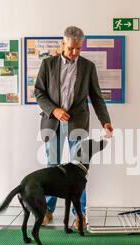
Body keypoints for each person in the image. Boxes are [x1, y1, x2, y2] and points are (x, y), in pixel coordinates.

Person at [35, 26, 113, 227]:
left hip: (77, 124)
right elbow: (39, 92)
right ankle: (48, 210)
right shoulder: (48, 64)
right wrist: (54, 110)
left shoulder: (88, 67)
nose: (75, 53)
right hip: (52, 123)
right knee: (52, 167)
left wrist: (105, 121)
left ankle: (80, 214)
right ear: (63, 44)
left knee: (79, 169)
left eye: (79, 48)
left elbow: (96, 97)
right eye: (71, 48)